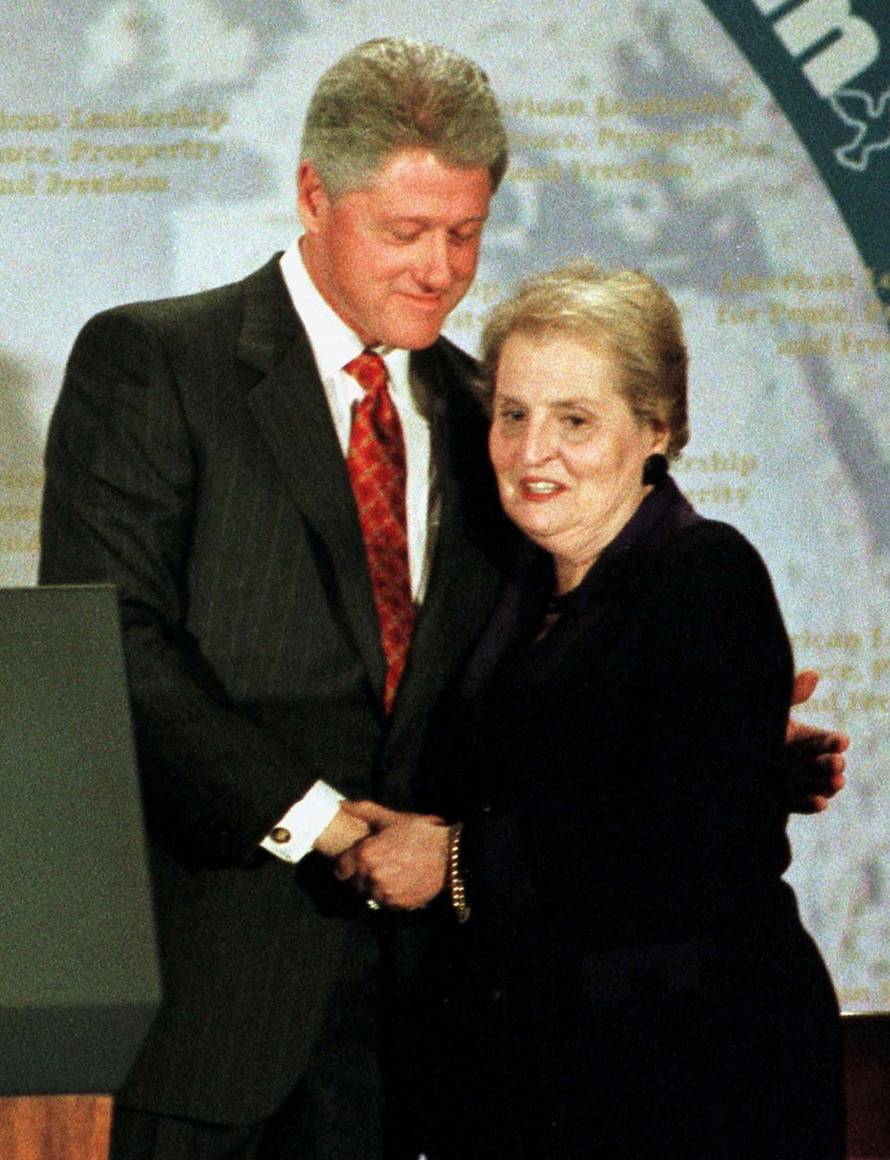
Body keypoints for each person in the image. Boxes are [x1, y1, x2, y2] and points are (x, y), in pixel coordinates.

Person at [39, 34, 844, 1160]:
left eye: (462, 233)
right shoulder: (155, 363)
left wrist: (728, 737)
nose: (437, 268)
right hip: (216, 1016)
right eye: (402, 231)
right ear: (314, 195)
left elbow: (625, 613)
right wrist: (318, 819)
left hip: (432, 1040)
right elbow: (109, 642)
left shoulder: (487, 408)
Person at [339, 262, 846, 1159]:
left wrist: (451, 859)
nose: (533, 453)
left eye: (576, 420)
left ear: (658, 429)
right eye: (514, 414)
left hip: (685, 1080)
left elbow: (682, 847)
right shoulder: (519, 585)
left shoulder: (704, 575)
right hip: (542, 1076)